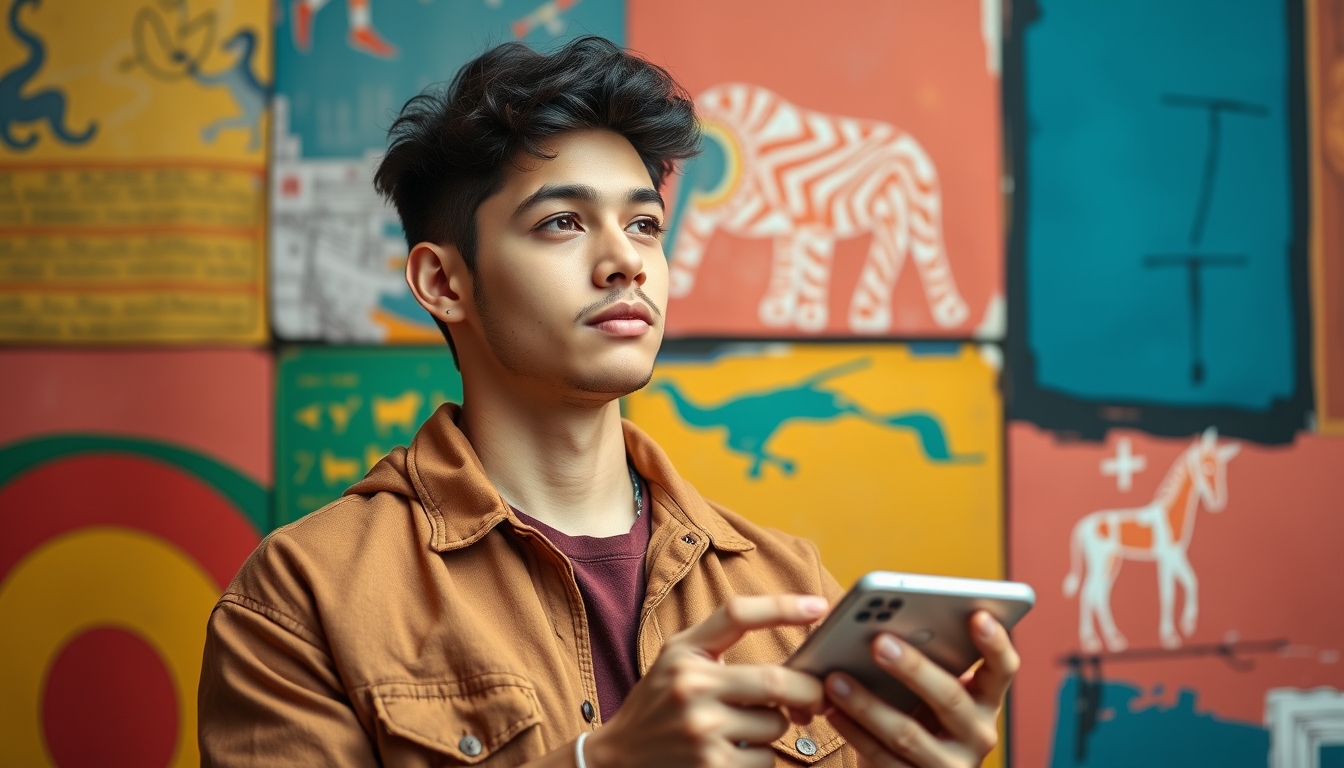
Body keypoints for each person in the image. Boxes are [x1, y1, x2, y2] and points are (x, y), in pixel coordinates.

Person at [198, 36, 1019, 767]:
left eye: (645, 226)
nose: (624, 262)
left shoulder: (787, 583)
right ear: (442, 282)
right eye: (562, 223)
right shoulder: (303, 599)